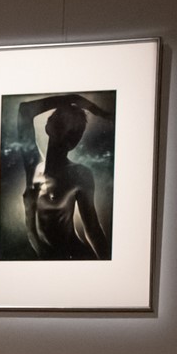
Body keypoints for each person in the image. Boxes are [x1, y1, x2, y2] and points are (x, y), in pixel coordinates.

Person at [14, 93, 112, 260]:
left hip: (74, 259)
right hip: (47, 264)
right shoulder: (34, 166)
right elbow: (25, 110)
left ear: (75, 140)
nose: (71, 133)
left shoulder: (79, 174)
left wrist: (108, 268)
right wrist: (88, 106)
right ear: (48, 125)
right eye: (61, 119)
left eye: (77, 130)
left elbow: (93, 230)